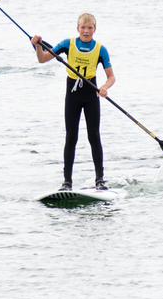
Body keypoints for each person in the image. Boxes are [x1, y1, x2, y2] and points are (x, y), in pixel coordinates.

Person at [31, 13, 116, 191]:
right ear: (77, 29)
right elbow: (42, 59)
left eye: (90, 28)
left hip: (91, 95)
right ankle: (67, 182)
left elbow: (111, 77)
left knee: (94, 136)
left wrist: (104, 88)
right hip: (73, 95)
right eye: (83, 27)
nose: (86, 31)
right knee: (71, 137)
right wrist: (38, 46)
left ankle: (100, 180)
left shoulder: (101, 49)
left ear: (94, 30)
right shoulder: (67, 44)